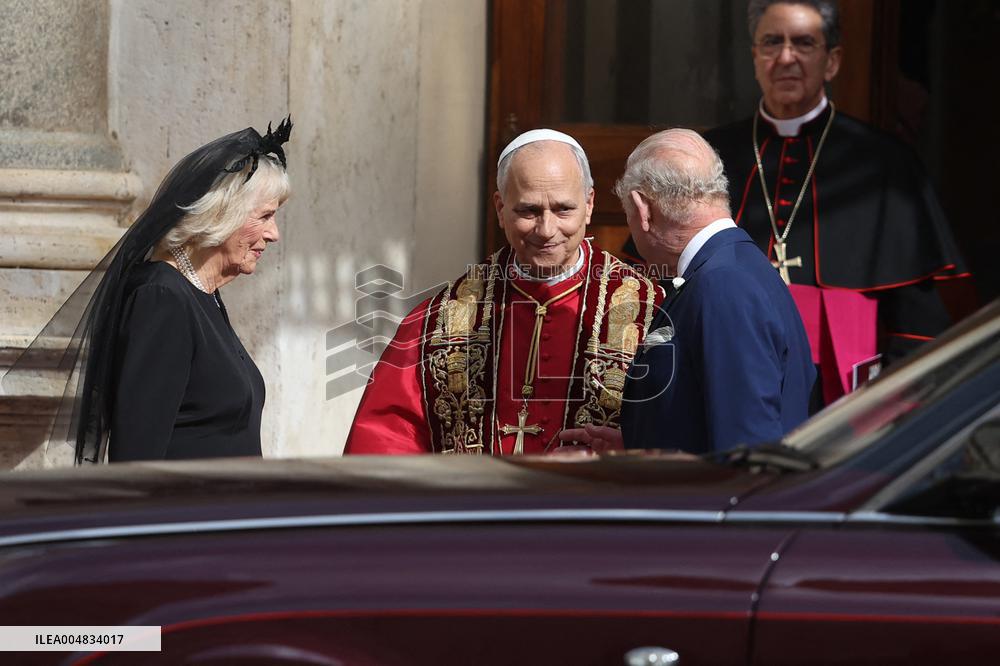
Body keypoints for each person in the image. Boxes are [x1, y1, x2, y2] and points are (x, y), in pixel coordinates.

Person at [703, 0, 968, 406]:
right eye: (772, 42)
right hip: (726, 373)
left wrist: (886, 402)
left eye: (804, 43)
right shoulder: (711, 155)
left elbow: (920, 318)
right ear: (755, 57)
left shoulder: (884, 163)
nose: (786, 57)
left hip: (841, 398)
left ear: (832, 61)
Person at [345, 129, 664, 455]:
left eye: (563, 209)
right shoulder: (438, 319)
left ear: (589, 204)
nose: (546, 229)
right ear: (500, 207)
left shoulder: (649, 310)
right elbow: (385, 442)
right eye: (528, 211)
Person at [7, 119, 293, 463]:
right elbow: (137, 458)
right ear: (222, 214)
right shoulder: (163, 299)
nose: (274, 233)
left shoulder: (203, 294)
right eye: (264, 216)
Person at [570, 129, 814, 454]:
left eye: (627, 215)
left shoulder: (723, 285)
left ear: (643, 210)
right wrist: (644, 445)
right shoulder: (735, 266)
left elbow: (743, 451)